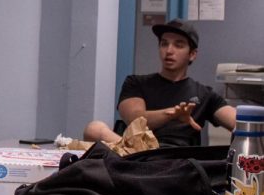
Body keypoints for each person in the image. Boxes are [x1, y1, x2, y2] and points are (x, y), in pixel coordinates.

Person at [84, 19, 236, 147]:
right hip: (137, 152)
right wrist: (172, 114)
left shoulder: (204, 94)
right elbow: (134, 119)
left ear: (192, 54)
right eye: (164, 43)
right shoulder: (136, 83)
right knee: (94, 128)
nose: (169, 50)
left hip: (179, 161)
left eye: (178, 45)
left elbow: (239, 122)